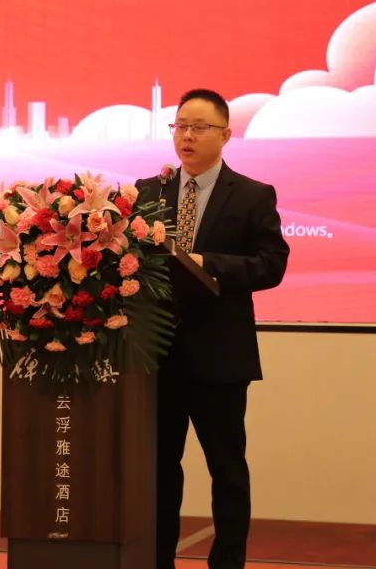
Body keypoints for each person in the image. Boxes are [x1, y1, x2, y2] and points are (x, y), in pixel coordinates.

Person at [136, 88, 290, 569]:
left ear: (225, 135)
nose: (187, 136)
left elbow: (271, 265)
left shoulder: (251, 195)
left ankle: (227, 562)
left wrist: (208, 264)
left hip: (220, 359)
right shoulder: (147, 192)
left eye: (199, 127)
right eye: (180, 126)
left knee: (226, 469)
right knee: (159, 470)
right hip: (158, 356)